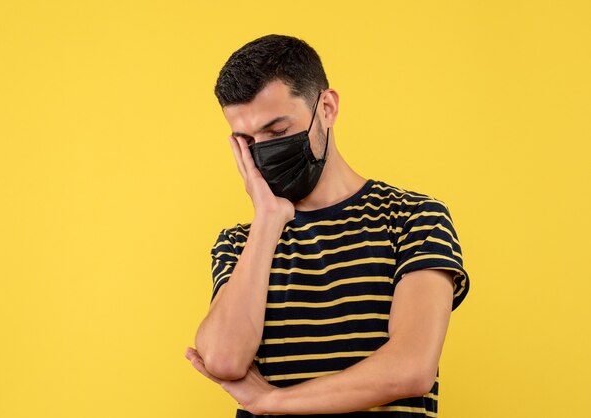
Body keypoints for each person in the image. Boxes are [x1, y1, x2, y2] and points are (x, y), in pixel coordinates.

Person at [185, 34, 470, 418]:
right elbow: (223, 359)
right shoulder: (240, 244)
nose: (262, 150)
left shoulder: (412, 218)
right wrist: (268, 222)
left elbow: (411, 367)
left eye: (278, 132)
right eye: (247, 140)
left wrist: (272, 401)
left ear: (327, 108)